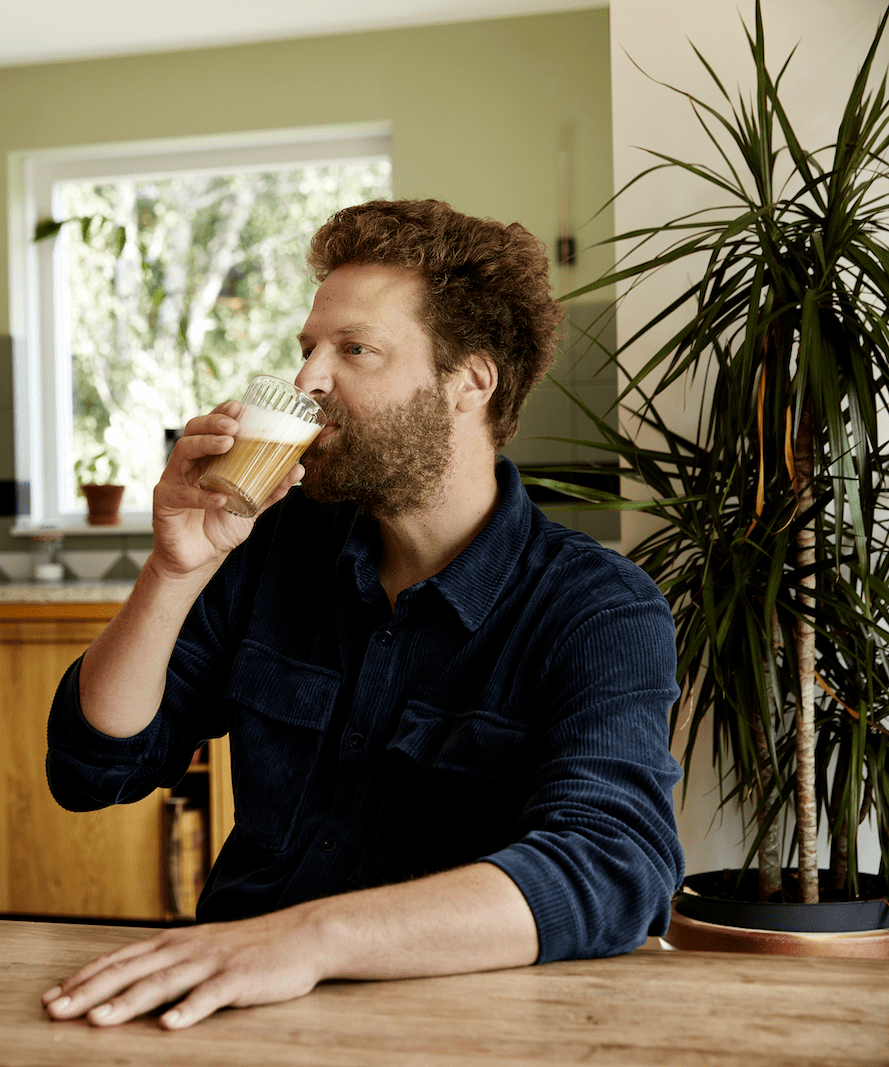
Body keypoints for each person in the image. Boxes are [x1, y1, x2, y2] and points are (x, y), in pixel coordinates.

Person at [40, 199, 684, 1030]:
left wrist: (304, 940)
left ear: (469, 381)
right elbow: (93, 769)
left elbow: (610, 865)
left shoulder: (596, 609)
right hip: (227, 1014)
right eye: (307, 348)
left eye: (353, 350)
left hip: (454, 1033)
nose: (309, 378)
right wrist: (172, 571)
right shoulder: (270, 550)